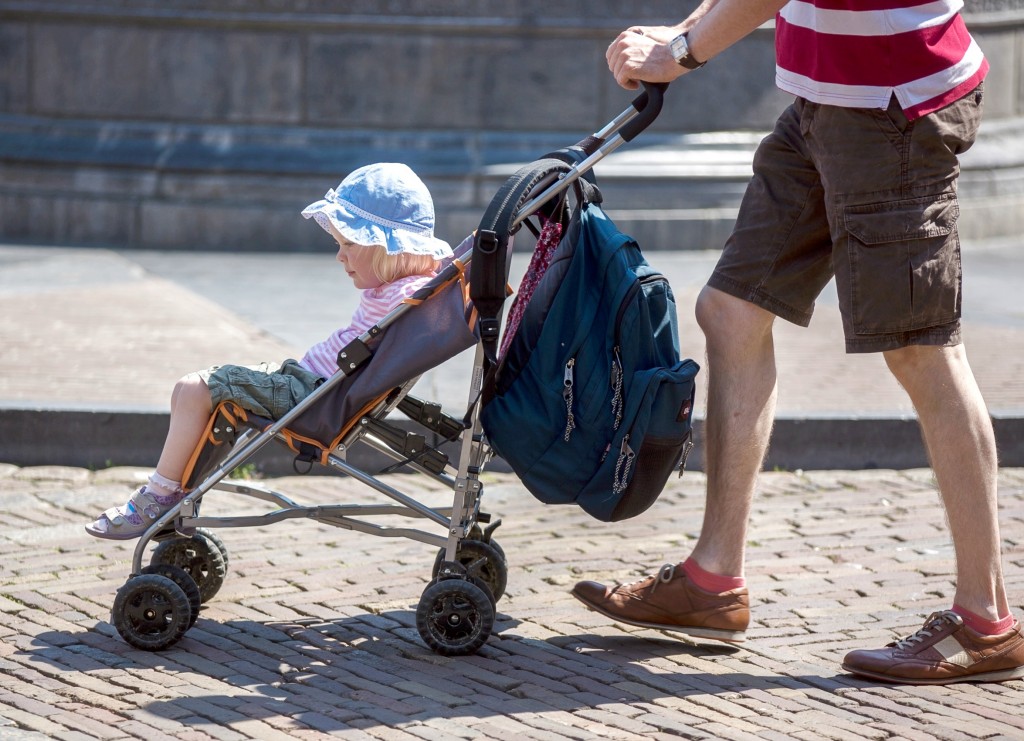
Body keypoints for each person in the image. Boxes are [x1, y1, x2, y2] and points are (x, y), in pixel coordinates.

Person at [572, 0, 1024, 684]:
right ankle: (713, 579)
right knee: (732, 310)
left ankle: (986, 621)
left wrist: (685, 51)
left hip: (893, 108)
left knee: (920, 349)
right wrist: (684, 30)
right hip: (827, 98)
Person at [86, 162, 453, 540]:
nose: (340, 256)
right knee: (189, 391)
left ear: (389, 249)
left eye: (350, 244)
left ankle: (158, 495)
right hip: (308, 383)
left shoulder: (405, 294)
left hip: (312, 396)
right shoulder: (413, 287)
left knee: (194, 388)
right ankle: (171, 491)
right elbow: (439, 271)